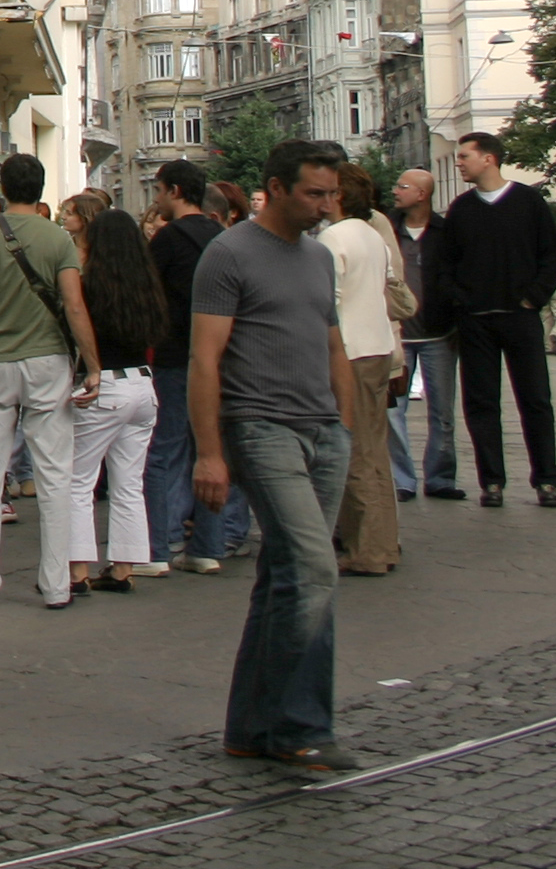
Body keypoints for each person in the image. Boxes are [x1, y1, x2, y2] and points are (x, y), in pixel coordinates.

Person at [191, 139, 363, 772]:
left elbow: (333, 344)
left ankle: (252, 726)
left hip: (322, 430)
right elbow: (205, 358)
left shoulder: (319, 257)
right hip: (261, 427)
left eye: (332, 193)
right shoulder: (228, 253)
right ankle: (301, 726)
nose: (327, 205)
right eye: (315, 193)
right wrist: (210, 453)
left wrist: (344, 427)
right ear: (278, 189)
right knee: (314, 569)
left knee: (287, 574)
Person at [0, 153, 100, 610]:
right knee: (55, 476)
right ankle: (56, 584)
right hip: (48, 360)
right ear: (41, 188)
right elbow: (74, 305)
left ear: (3, 186)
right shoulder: (57, 238)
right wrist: (92, 365)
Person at [425, 131, 556, 509]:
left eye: (464, 156)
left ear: (488, 158)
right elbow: (445, 265)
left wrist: (532, 298)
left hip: (521, 317)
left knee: (535, 400)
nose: (458, 163)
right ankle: (492, 482)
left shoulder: (528, 202)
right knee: (481, 403)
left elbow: (550, 256)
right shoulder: (461, 209)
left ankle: (546, 480)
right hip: (476, 322)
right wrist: (461, 302)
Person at [146, 162, 251, 574]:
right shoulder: (225, 237)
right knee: (212, 451)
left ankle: (159, 546)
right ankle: (208, 545)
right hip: (222, 356)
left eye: (159, 190)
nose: (156, 199)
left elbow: (150, 294)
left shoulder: (168, 239)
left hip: (175, 355)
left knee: (165, 451)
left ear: (175, 191)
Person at [65, 205, 164, 593]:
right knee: (128, 482)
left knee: (78, 480)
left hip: (104, 384)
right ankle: (123, 566)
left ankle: (77, 570)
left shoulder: (90, 285)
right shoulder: (146, 285)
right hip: (142, 384)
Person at [319, 167, 404, 576]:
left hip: (350, 351)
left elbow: (328, 303)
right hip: (378, 347)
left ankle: (365, 550)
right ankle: (383, 543)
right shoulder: (372, 235)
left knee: (351, 451)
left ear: (338, 196)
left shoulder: (333, 238)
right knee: (374, 451)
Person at [388, 169, 463, 502]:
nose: (395, 191)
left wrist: (457, 318)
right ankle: (402, 479)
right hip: (398, 335)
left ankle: (440, 477)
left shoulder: (445, 233)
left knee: (442, 412)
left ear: (422, 194)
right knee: (393, 412)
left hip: (438, 334)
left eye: (402, 186)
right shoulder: (387, 228)